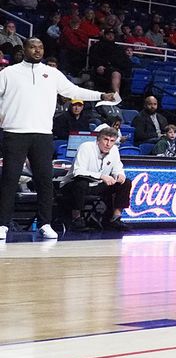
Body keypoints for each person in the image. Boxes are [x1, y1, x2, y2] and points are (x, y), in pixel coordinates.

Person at [0, 38, 120, 239]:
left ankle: (45, 224)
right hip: (15, 132)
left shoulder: (52, 73)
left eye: (40, 47)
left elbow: (73, 91)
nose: (37, 50)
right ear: (24, 49)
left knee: (45, 181)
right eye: (33, 47)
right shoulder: (8, 73)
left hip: (43, 134)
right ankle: (2, 224)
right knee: (9, 180)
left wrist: (101, 95)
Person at [61, 124, 130, 231]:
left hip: (97, 186)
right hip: (72, 185)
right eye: (106, 140)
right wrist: (102, 176)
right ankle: (76, 219)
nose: (108, 144)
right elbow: (78, 172)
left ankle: (115, 218)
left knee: (125, 182)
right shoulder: (86, 147)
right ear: (98, 140)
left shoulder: (114, 150)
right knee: (81, 182)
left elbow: (118, 168)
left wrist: (119, 175)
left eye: (112, 141)